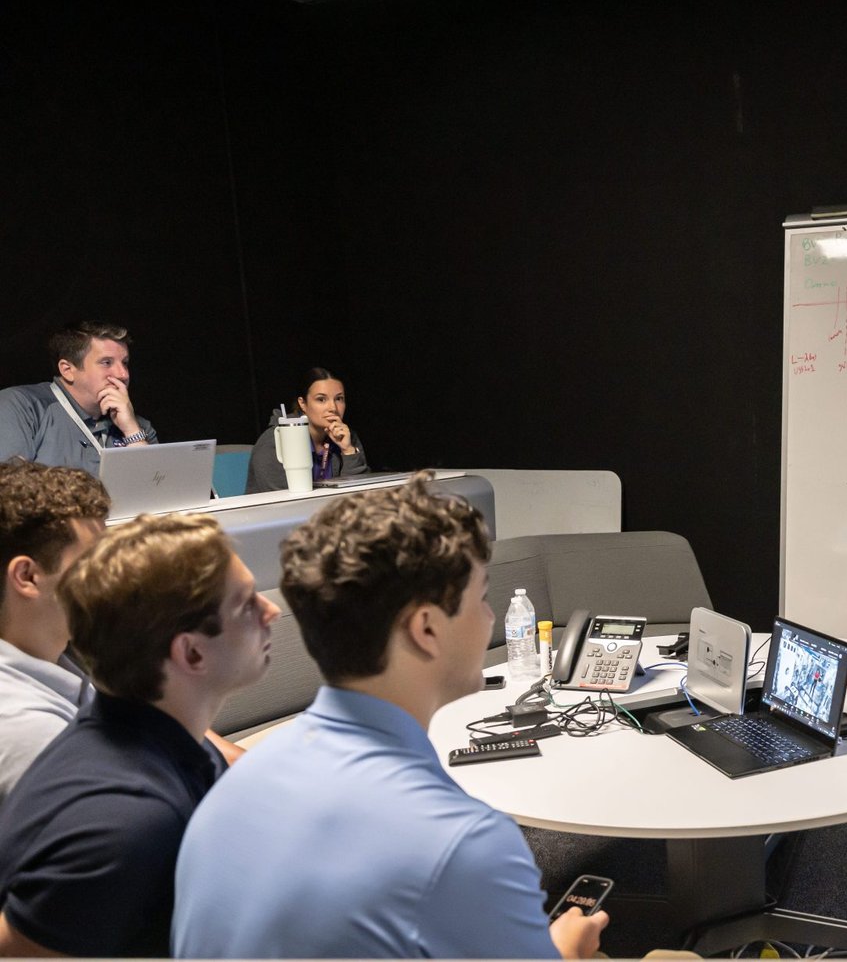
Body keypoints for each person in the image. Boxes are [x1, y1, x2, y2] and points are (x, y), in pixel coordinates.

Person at [172, 474, 607, 959]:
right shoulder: (466, 843)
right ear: (426, 628)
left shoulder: (226, 793)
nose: (489, 619)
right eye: (481, 598)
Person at [0, 512, 277, 957]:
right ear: (190, 652)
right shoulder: (125, 822)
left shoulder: (157, 737)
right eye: (247, 603)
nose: (273, 610)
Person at [0, 462, 109, 806]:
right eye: (94, 565)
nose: (113, 580)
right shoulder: (27, 729)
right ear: (28, 577)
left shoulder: (61, 653)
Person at [0, 322, 156, 472]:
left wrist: (132, 432)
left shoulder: (139, 426)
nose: (123, 374)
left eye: (125, 363)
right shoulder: (19, 406)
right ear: (67, 370)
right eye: (107, 362)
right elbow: (11, 489)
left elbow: (153, 493)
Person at [245, 367, 369, 493]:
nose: (333, 408)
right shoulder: (274, 440)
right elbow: (283, 502)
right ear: (303, 403)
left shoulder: (346, 435)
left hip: (331, 510)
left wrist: (348, 451)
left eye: (339, 399)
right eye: (321, 399)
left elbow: (360, 495)